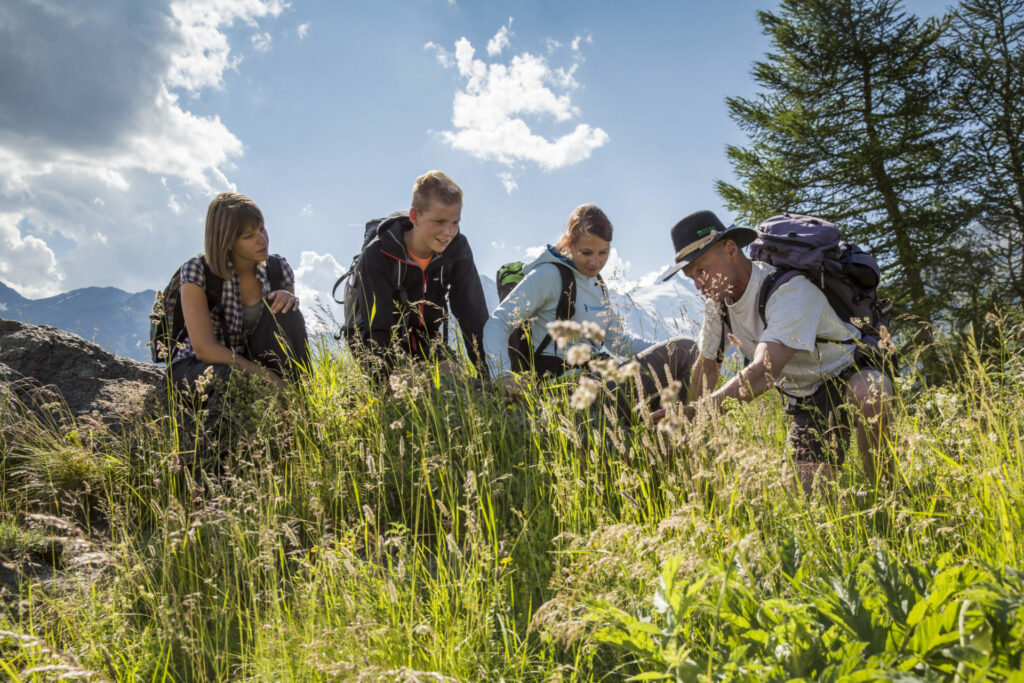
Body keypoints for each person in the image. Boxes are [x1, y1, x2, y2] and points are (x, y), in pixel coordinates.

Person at [653, 209, 893, 494]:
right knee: (806, 497)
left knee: (870, 392)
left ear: (731, 249)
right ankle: (859, 503)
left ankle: (889, 494)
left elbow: (763, 373)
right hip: (806, 399)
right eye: (691, 277)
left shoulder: (788, 290)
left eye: (702, 271)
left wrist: (696, 413)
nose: (699, 285)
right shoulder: (717, 305)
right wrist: (690, 425)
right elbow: (707, 367)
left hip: (849, 372)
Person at [483, 204, 697, 412]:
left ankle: (673, 435)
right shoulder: (549, 275)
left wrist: (665, 347)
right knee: (685, 350)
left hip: (602, 382)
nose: (595, 262)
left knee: (685, 352)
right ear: (569, 243)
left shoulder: (597, 285)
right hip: (566, 393)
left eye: (603, 253)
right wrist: (502, 376)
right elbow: (498, 322)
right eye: (586, 252)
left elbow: (621, 344)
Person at [347, 170, 488, 378]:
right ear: (415, 216)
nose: (448, 232)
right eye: (439, 222)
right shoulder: (378, 254)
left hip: (426, 338)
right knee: (411, 392)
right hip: (377, 340)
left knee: (458, 387)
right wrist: (389, 378)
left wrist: (490, 375)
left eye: (455, 222)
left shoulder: (458, 249)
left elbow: (473, 314)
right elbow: (374, 328)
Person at [171, 192, 309, 395]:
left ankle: (301, 398)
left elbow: (288, 340)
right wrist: (265, 377)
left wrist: (289, 299)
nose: (262, 240)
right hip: (200, 365)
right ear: (227, 242)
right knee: (229, 380)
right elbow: (204, 348)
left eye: (262, 229)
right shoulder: (197, 269)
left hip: (252, 359)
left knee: (289, 312)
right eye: (249, 236)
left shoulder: (278, 268)